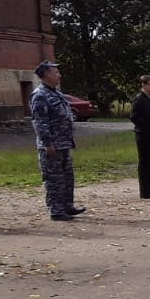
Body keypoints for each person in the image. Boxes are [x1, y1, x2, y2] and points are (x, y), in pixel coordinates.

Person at [30, 60, 84, 222]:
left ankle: (67, 205)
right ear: (46, 74)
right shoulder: (40, 95)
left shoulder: (56, 93)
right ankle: (56, 210)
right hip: (52, 145)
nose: (59, 75)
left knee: (67, 177)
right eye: (55, 72)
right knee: (54, 179)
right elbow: (40, 122)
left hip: (64, 143)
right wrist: (47, 143)